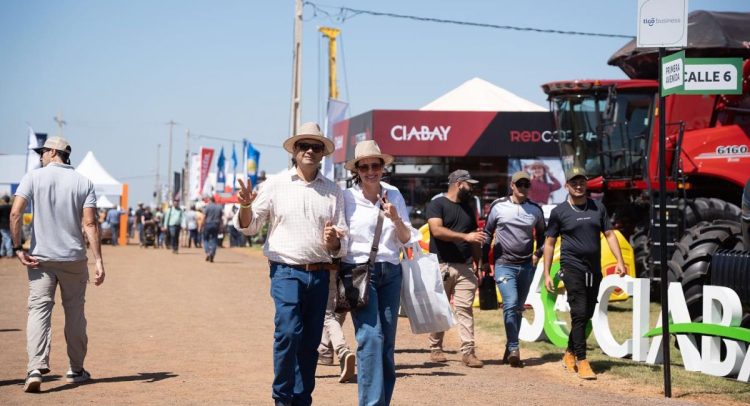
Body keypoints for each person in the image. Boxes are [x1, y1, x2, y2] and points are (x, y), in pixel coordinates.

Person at [234, 122, 347, 406]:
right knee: (287, 333)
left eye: (316, 146)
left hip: (320, 274)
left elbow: (341, 241)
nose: (309, 150)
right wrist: (245, 206)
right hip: (285, 271)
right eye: (303, 145)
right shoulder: (275, 184)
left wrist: (334, 240)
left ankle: (302, 398)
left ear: (323, 153)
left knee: (310, 343)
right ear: (294, 151)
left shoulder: (334, 191)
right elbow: (249, 226)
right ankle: (282, 397)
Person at [9, 137, 105, 393]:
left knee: (39, 311)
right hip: (73, 258)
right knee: (75, 313)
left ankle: (35, 368)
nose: (40, 156)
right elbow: (90, 224)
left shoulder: (33, 177)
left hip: (40, 258)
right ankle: (76, 369)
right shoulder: (84, 182)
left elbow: (15, 213)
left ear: (53, 151)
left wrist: (17, 248)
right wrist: (98, 260)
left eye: (42, 152)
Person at [342, 140, 414, 405]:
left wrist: (395, 217)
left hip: (391, 271)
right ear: (357, 171)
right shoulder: (346, 198)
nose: (370, 171)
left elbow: (406, 238)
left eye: (375, 165)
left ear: (383, 168)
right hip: (359, 271)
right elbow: (339, 238)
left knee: (386, 344)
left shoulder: (394, 194)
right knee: (371, 337)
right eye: (364, 167)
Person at [543, 166, 626, 380]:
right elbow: (549, 244)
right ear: (566, 186)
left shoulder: (598, 207)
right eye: (574, 182)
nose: (578, 186)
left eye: (581, 182)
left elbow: (609, 235)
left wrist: (619, 260)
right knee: (579, 312)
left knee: (587, 313)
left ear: (586, 184)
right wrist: (547, 274)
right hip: (571, 267)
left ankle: (569, 352)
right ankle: (582, 360)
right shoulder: (559, 212)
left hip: (594, 269)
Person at [481, 171, 545, 367]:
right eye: (519, 184)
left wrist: (537, 254)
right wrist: (484, 260)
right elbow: (487, 233)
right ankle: (515, 348)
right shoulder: (498, 206)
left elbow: (544, 236)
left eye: (526, 185)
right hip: (503, 264)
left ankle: (509, 347)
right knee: (510, 304)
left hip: (526, 266)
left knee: (517, 308)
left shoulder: (535, 209)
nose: (523, 188)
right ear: (512, 186)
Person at [426, 169, 487, 368]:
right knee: (440, 308)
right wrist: (465, 237)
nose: (472, 189)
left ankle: (468, 352)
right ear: (459, 184)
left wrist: (479, 263)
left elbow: (475, 238)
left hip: (466, 266)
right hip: (441, 265)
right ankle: (436, 347)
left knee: (465, 309)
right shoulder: (437, 204)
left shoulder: (469, 208)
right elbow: (436, 230)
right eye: (470, 185)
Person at [203, 196, 223, 262]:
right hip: (216, 225)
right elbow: (221, 218)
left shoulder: (207, 207)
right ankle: (212, 253)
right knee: (214, 240)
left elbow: (204, 217)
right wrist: (221, 227)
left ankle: (208, 252)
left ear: (210, 200)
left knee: (205, 239)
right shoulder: (219, 207)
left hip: (208, 224)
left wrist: (202, 225)